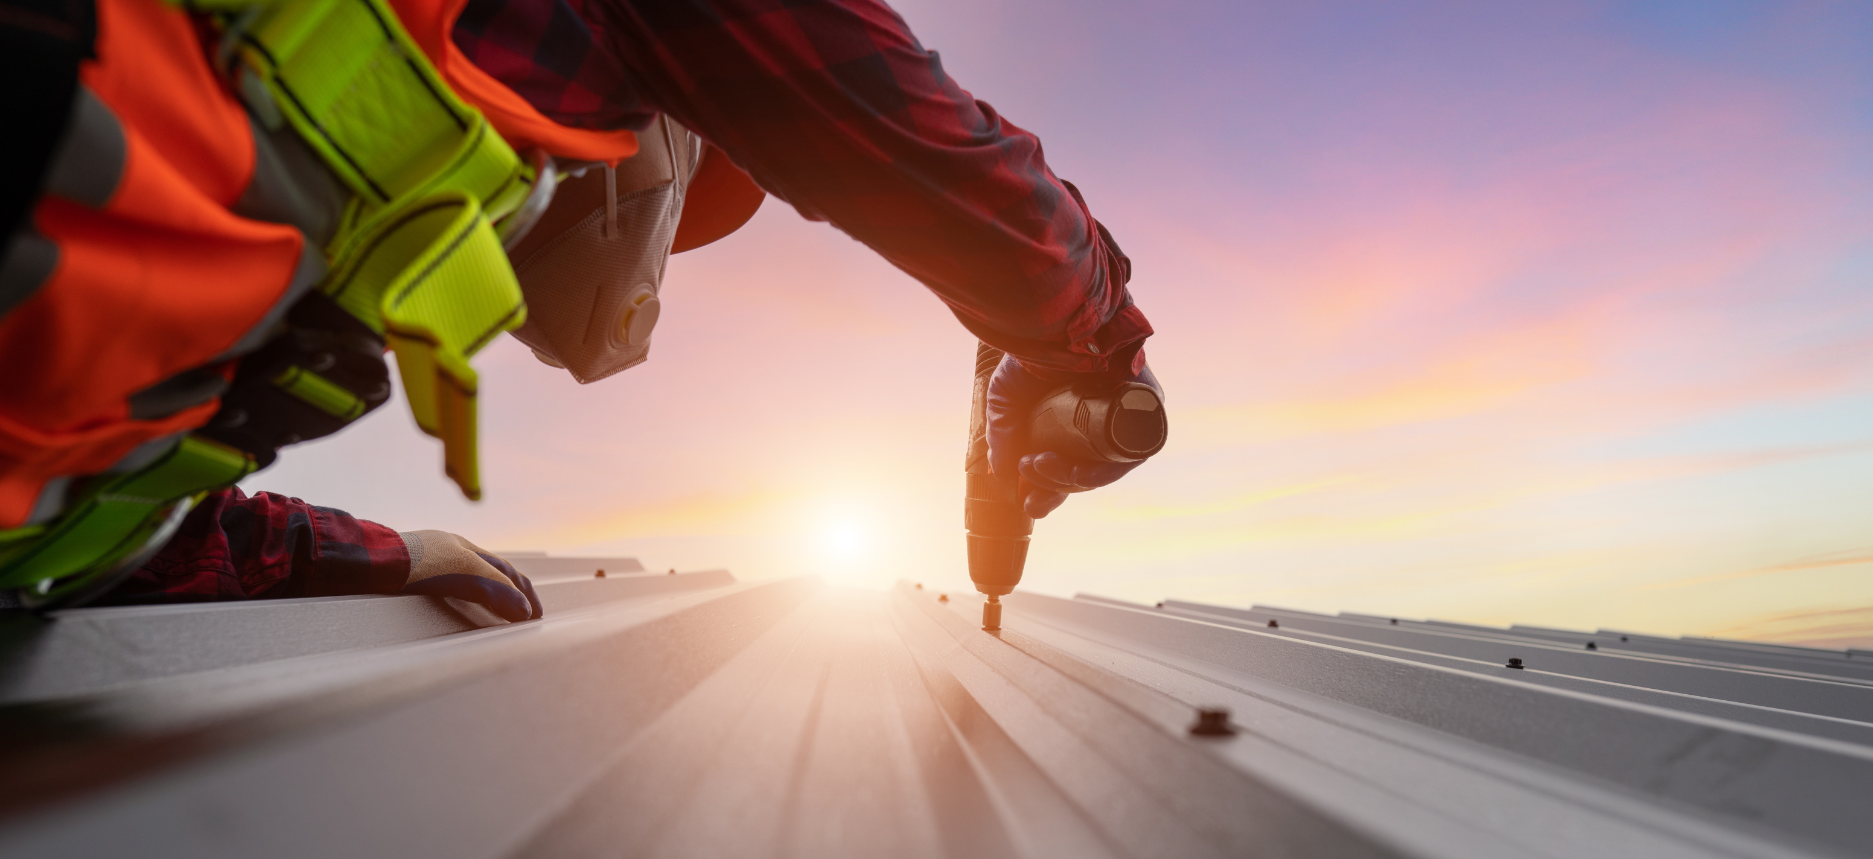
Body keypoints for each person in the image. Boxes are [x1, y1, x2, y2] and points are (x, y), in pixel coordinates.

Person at [0, 0, 1159, 619]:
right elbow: (899, 130)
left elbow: (84, 535)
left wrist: (369, 556)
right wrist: (1094, 331)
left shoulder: (257, 260)